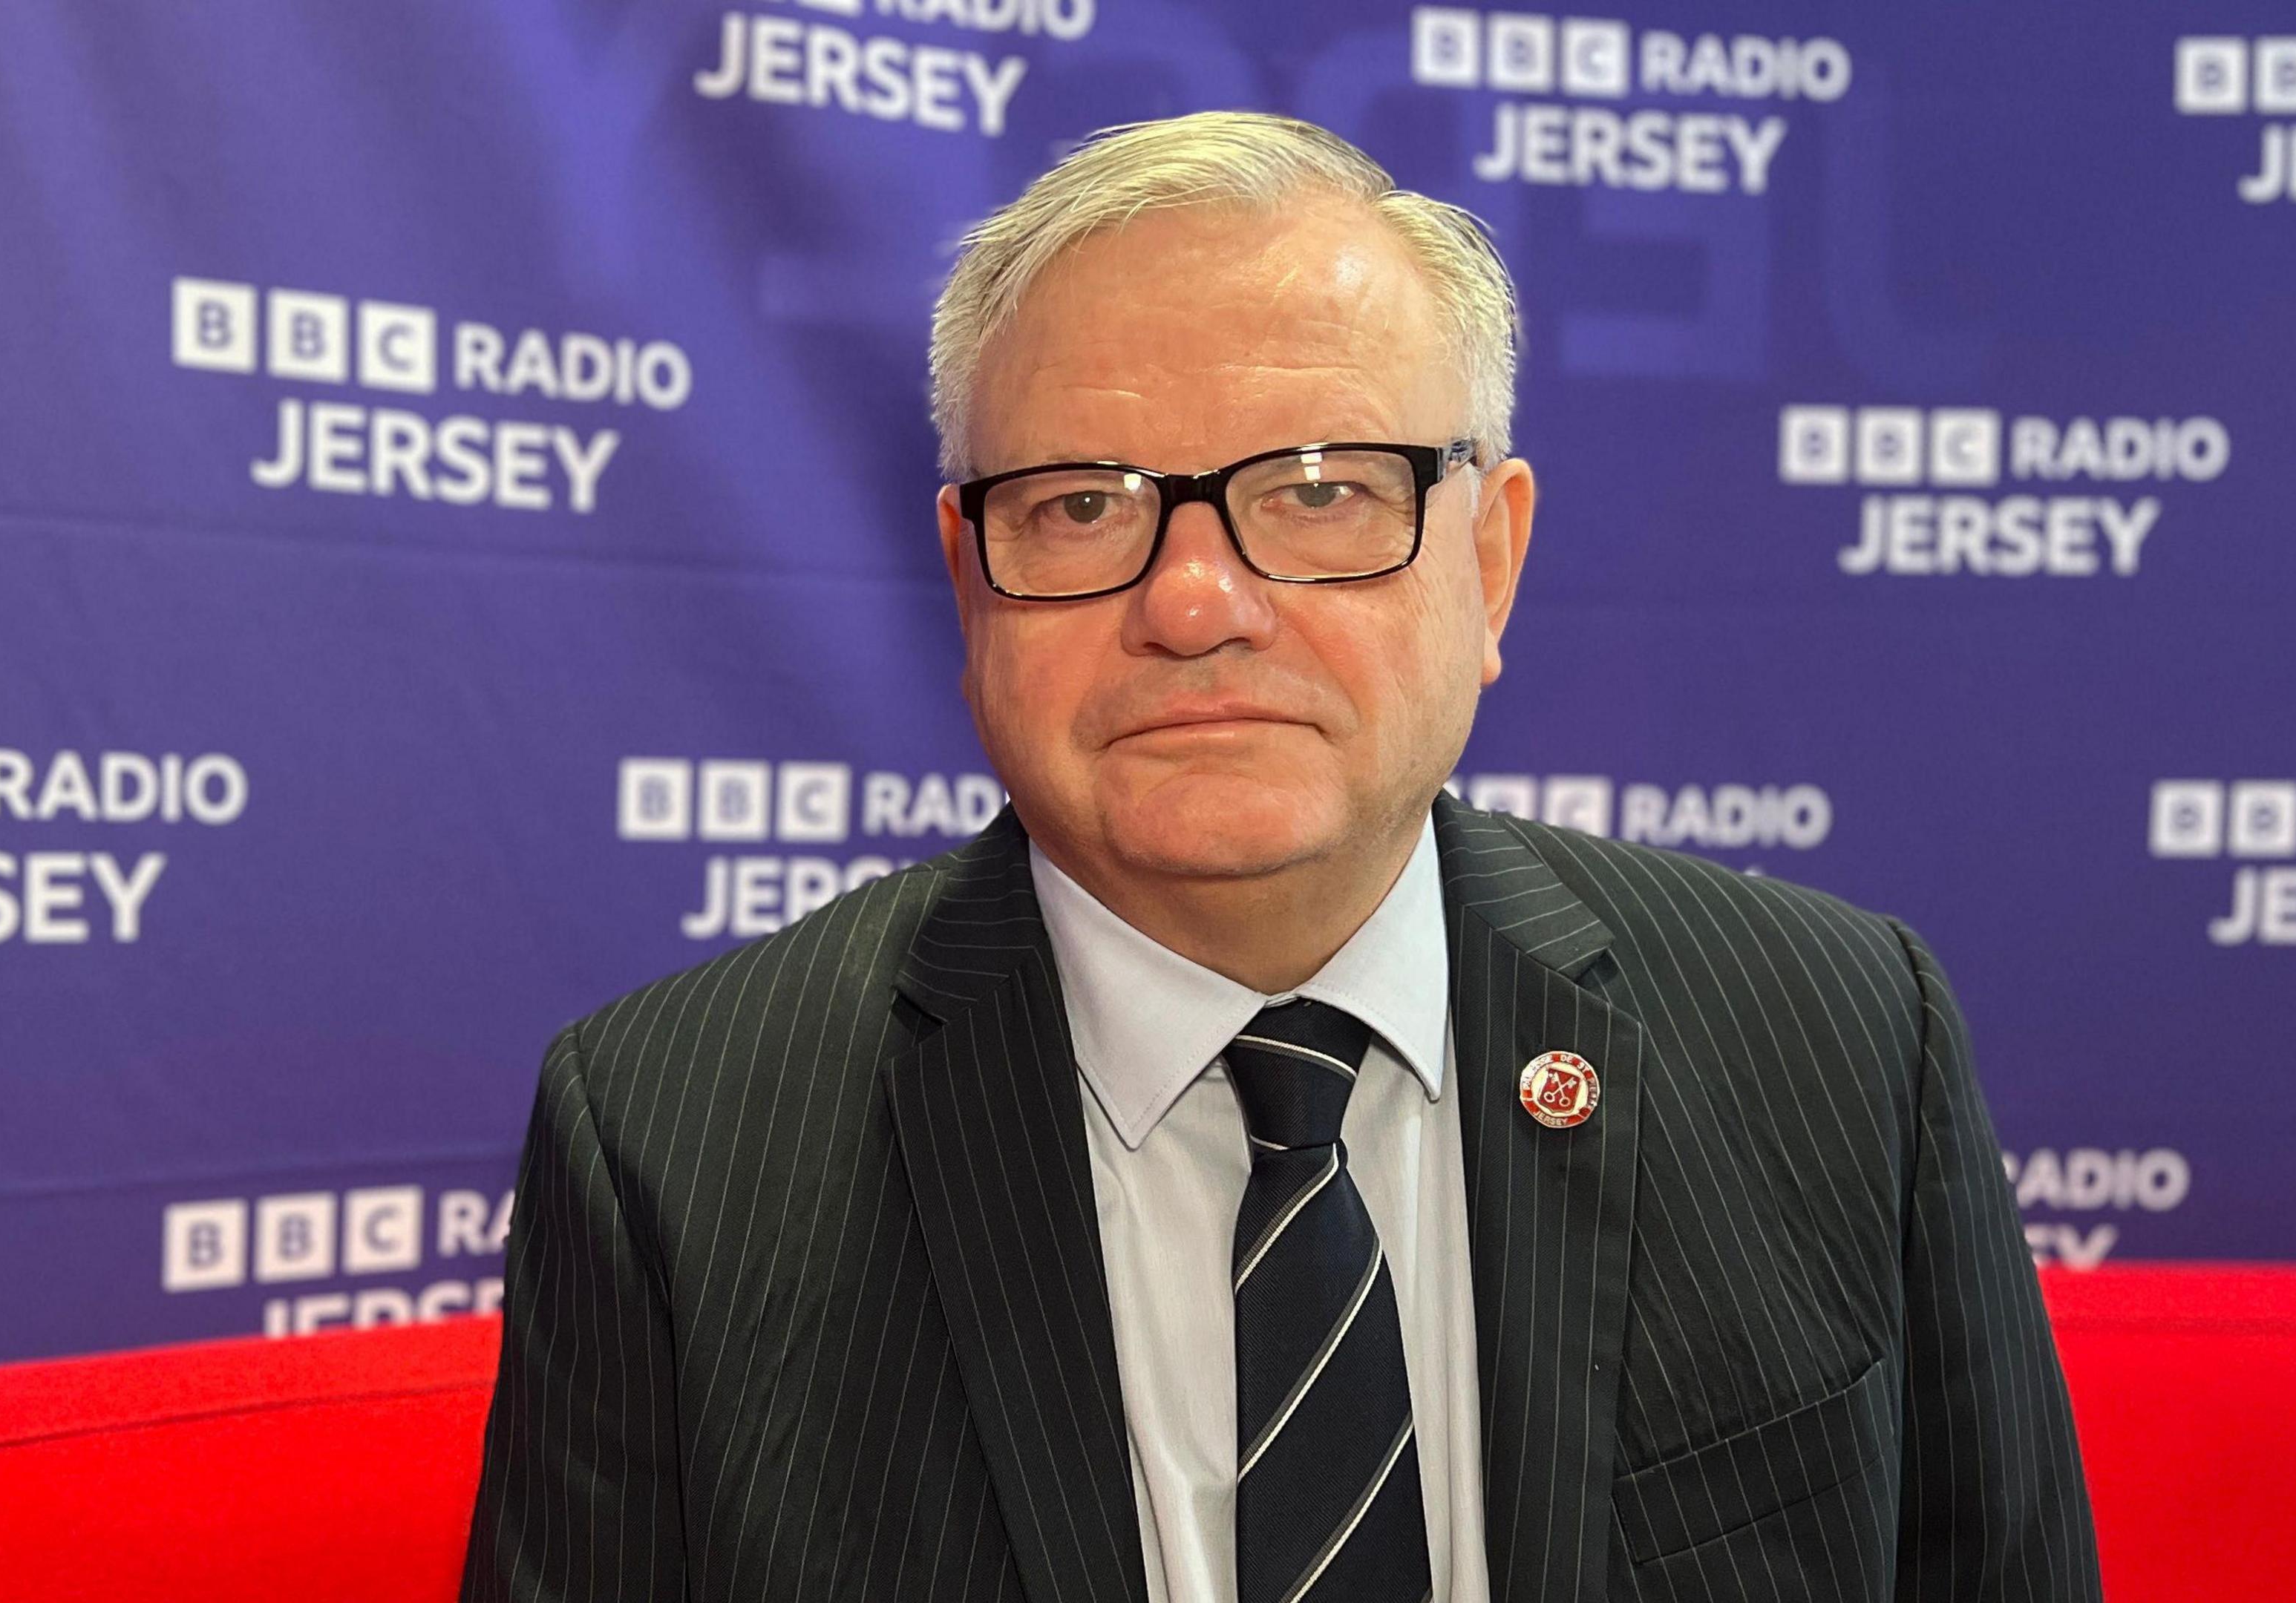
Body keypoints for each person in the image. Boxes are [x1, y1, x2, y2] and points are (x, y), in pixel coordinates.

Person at [462, 111, 2098, 1603]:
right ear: (971, 581)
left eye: (1322, 492)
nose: (1193, 603)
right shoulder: (673, 1138)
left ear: (1494, 560)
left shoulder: (1839, 1037)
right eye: (1083, 507)